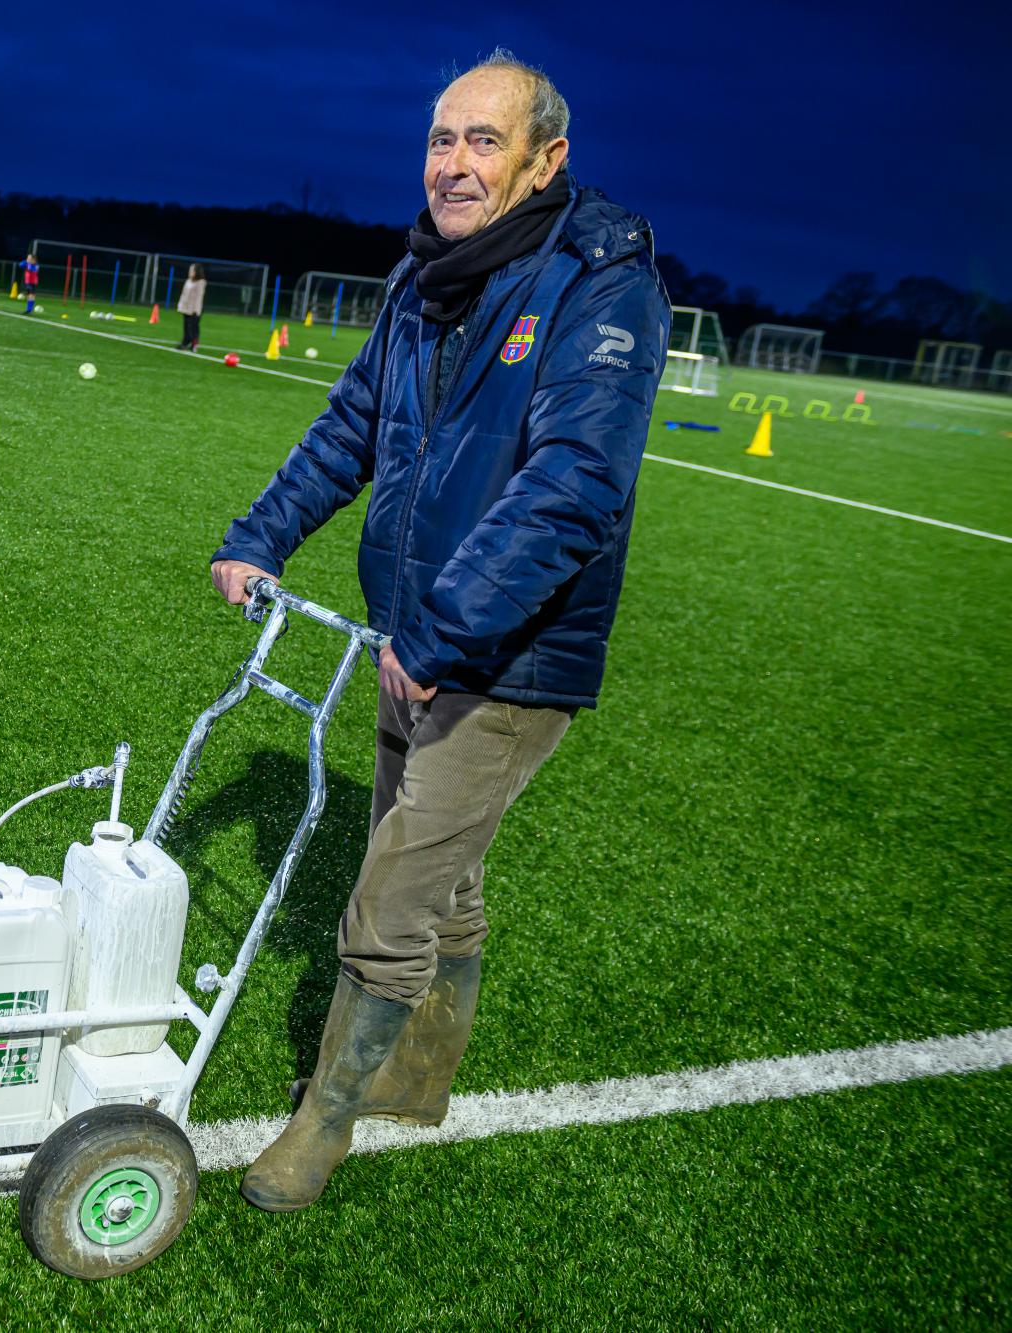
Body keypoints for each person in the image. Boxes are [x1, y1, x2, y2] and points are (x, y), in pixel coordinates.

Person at [211, 50, 668, 1213]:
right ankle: (417, 1073)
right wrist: (261, 533)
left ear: (542, 159)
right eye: (439, 139)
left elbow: (572, 485)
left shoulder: (598, 285)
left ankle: (324, 1121)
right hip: (411, 631)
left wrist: (447, 629)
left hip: (510, 656)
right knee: (436, 867)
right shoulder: (420, 279)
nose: (452, 164)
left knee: (391, 894)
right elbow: (351, 421)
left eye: (481, 140)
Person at [176, 264, 206, 350]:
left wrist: (196, 311)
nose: (190, 272)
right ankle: (185, 342)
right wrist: (180, 306)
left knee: (193, 328)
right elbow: (183, 294)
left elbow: (199, 298)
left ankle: (193, 344)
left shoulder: (201, 282)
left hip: (194, 309)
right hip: (186, 308)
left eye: (192, 270)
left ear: (197, 272)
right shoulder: (188, 281)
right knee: (186, 327)